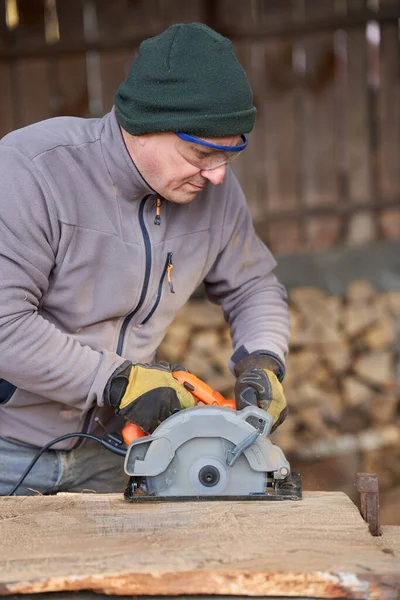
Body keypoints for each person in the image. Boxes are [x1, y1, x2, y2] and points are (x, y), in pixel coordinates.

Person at [0, 22, 289, 495]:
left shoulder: (214, 192)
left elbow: (252, 284)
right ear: (145, 124)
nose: (217, 177)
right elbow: (4, 323)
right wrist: (116, 380)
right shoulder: (30, 172)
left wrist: (264, 357)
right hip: (7, 450)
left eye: (229, 157)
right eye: (201, 153)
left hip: (115, 452)